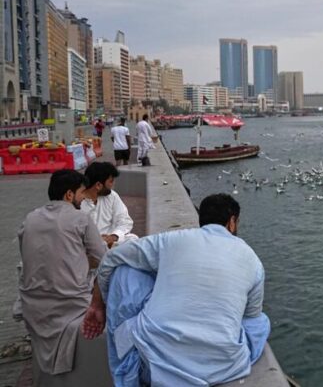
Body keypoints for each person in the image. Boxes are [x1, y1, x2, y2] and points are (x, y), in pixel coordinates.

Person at [85, 194, 270, 386]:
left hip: (155, 367)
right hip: (224, 369)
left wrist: (98, 304)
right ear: (232, 222)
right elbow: (251, 319)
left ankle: (126, 373)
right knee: (261, 321)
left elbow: (111, 258)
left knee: (124, 271)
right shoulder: (253, 260)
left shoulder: (171, 240)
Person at [18, 170, 107, 379]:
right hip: (70, 304)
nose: (83, 198)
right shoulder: (80, 218)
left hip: (32, 304)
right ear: (69, 194)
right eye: (81, 193)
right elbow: (105, 258)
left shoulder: (30, 218)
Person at [82, 162, 136, 247]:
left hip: (110, 243)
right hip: (87, 247)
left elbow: (125, 221)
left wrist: (113, 237)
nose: (113, 185)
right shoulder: (77, 203)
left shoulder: (112, 196)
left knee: (133, 239)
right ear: (98, 185)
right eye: (111, 181)